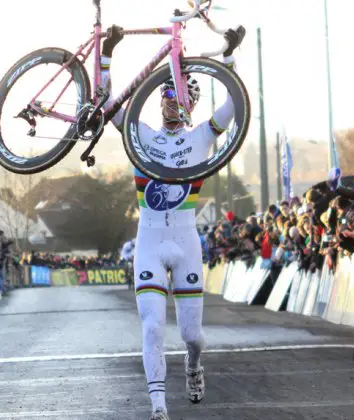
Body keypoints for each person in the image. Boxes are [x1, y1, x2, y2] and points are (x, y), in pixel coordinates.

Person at [101, 24, 245, 420]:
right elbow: (107, 103)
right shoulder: (142, 135)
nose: (169, 104)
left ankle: (194, 365)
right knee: (151, 329)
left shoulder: (203, 136)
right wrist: (108, 53)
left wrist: (229, 55)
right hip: (148, 239)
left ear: (191, 104)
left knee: (190, 336)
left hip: (185, 243)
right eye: (165, 96)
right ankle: (159, 405)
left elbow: (236, 106)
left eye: (177, 97)